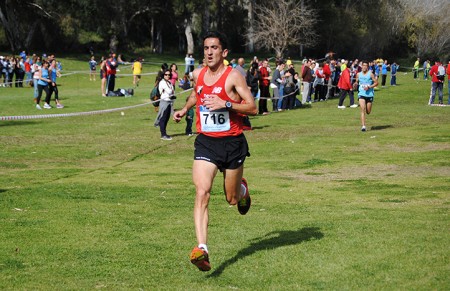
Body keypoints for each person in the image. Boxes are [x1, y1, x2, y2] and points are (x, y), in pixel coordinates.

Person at [173, 31, 257, 272]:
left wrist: (226, 104)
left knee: (231, 199)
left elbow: (252, 107)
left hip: (232, 143)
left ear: (224, 52)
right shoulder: (198, 74)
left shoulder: (234, 77)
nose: (209, 52)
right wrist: (184, 109)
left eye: (214, 48)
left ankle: (242, 190)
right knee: (202, 192)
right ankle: (202, 249)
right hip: (207, 142)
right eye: (206, 48)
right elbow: (195, 95)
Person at [354, 61, 378, 132]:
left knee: (368, 111)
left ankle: (368, 110)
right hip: (361, 94)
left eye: (365, 66)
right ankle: (363, 126)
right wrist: (355, 84)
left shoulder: (371, 74)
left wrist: (369, 87)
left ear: (367, 67)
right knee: (362, 109)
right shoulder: (358, 74)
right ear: (361, 66)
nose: (364, 67)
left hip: (369, 94)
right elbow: (356, 82)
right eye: (363, 65)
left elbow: (376, 83)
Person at [154, 68, 175, 140]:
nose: (168, 76)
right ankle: (163, 135)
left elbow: (172, 92)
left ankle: (164, 133)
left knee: (167, 118)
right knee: (163, 118)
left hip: (169, 102)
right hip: (164, 102)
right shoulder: (162, 82)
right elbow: (169, 91)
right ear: (163, 75)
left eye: (169, 75)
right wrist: (171, 92)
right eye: (166, 74)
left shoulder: (169, 82)